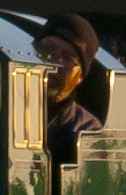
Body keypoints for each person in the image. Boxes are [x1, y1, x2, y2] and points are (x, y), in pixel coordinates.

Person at [35, 15, 103, 161]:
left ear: (80, 77)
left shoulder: (86, 130)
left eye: (67, 58)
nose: (54, 62)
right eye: (47, 49)